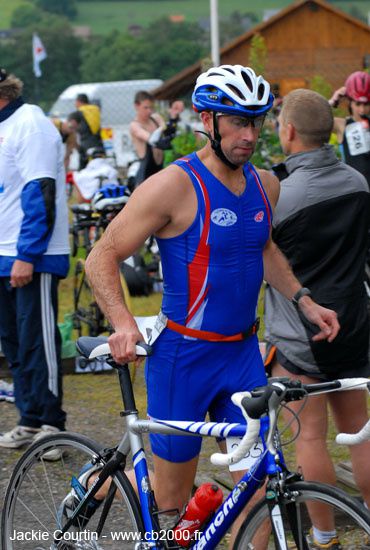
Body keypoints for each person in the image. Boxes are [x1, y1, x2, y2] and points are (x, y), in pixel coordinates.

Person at [60, 65, 339, 544]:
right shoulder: (172, 186)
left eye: (257, 121)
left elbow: (263, 248)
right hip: (182, 358)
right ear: (207, 120)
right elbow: (101, 256)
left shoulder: (265, 185)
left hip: (242, 356)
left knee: (257, 488)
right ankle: (97, 480)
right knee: (169, 499)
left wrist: (303, 299)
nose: (250, 135)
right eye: (237, 122)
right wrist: (123, 323)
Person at [265, 88, 370, 549]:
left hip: (299, 330)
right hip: (354, 322)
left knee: (309, 435)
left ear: (287, 131)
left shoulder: (281, 194)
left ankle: (324, 534)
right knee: (359, 432)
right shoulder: (358, 182)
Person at [0, 69, 69, 456]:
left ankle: (51, 425)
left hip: (35, 255)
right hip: (3, 253)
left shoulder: (31, 124)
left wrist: (27, 255)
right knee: (13, 343)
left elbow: (40, 192)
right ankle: (28, 419)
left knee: (37, 342)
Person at [329, 71, 370, 187]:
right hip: (355, 192)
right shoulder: (342, 125)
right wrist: (332, 101)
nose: (362, 110)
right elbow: (310, 121)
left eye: (366, 104)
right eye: (357, 104)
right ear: (350, 102)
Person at [129, 90, 171, 188]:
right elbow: (151, 139)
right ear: (136, 106)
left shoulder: (155, 118)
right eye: (146, 107)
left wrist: (173, 119)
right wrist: (161, 139)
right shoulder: (135, 125)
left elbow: (167, 130)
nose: (149, 111)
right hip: (145, 173)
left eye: (151, 107)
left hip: (159, 169)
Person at [68, 93, 104, 169]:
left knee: (83, 170)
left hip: (85, 147)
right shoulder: (96, 110)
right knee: (99, 168)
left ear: (78, 102)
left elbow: (69, 127)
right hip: (99, 144)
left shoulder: (77, 114)